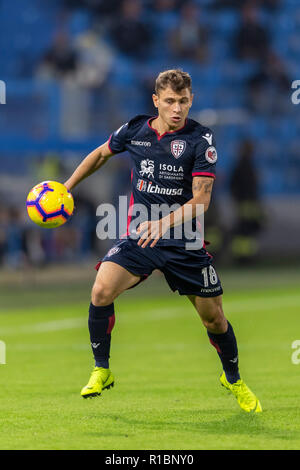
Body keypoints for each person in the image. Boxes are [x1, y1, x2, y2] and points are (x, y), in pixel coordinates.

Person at [64, 69, 262, 412]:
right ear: (156, 100)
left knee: (214, 319)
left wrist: (164, 223)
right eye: (170, 101)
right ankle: (102, 369)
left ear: (191, 100)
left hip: (184, 243)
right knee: (100, 290)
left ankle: (233, 379)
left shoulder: (202, 140)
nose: (177, 109)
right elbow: (99, 155)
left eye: (183, 101)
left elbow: (201, 201)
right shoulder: (136, 130)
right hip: (142, 236)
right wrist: (65, 188)